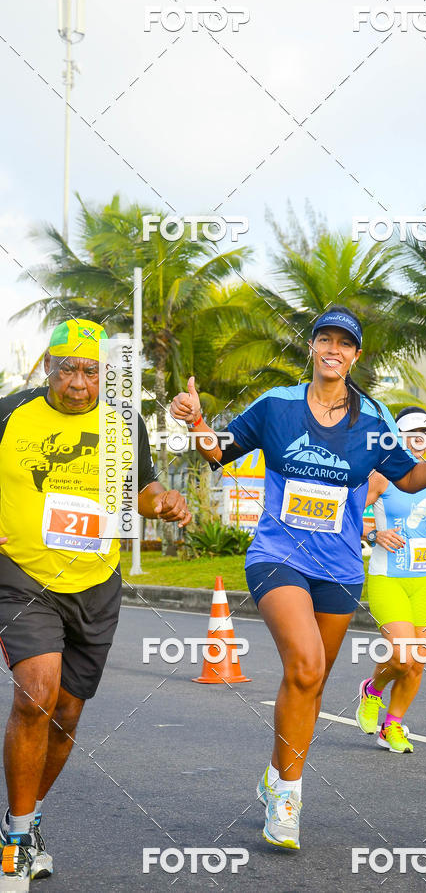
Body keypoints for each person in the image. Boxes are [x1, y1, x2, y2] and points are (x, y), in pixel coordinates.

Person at [170, 305, 426, 850]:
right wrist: (197, 425)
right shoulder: (277, 407)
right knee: (303, 665)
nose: (333, 349)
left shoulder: (373, 419)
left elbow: (410, 475)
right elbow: (219, 454)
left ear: (355, 355)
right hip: (278, 554)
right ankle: (288, 795)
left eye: (344, 343)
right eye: (324, 339)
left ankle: (274, 771)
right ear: (313, 347)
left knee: (311, 681)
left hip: (342, 567)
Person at [0, 319, 191, 891]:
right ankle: (16, 837)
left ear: (104, 375)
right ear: (47, 367)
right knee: (36, 691)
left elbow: (143, 490)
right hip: (23, 575)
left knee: (67, 714)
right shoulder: (10, 413)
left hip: (96, 580)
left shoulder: (122, 424)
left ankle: (25, 822)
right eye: (67, 369)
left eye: (90, 371)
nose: (78, 382)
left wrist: (166, 502)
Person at [356, 406, 426, 752]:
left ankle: (393, 725)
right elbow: (350, 517)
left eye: (425, 433)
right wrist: (374, 536)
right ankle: (372, 689)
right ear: (398, 438)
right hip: (389, 576)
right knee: (401, 656)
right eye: (412, 432)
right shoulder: (381, 475)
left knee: (418, 661)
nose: (420, 439)